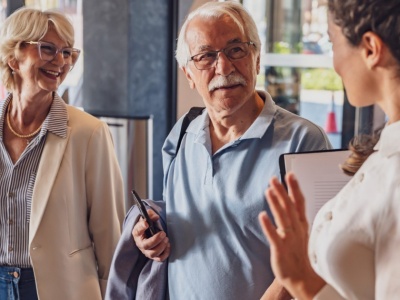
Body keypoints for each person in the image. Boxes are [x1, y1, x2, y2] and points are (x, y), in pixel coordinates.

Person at [117, 2, 331, 299]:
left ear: (256, 58)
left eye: (236, 50)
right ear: (189, 74)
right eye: (206, 56)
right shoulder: (181, 134)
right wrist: (151, 238)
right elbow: (181, 221)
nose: (224, 67)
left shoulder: (303, 142)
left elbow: (316, 251)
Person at [259, 0, 400, 299]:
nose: (333, 63)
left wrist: (302, 281)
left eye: (332, 42)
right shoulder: (384, 150)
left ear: (371, 49)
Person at [0, 7, 125, 299]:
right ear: (12, 56)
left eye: (67, 52)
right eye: (48, 49)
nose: (60, 61)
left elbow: (110, 235)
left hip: (59, 289)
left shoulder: (88, 133)